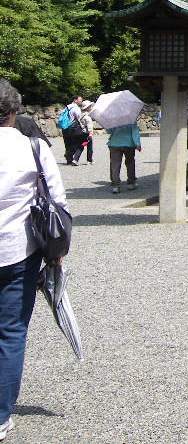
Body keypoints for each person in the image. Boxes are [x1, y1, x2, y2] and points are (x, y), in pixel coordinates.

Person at [0, 78, 70, 440]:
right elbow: (57, 200)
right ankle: (0, 415)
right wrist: (56, 255)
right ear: (13, 111)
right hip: (16, 250)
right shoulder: (32, 145)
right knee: (10, 331)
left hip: (15, 251)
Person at [107, 121, 141, 193]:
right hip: (128, 144)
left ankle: (115, 186)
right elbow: (134, 132)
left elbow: (109, 131)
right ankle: (131, 183)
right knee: (130, 163)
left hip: (114, 143)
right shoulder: (131, 118)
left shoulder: (114, 119)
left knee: (115, 164)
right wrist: (137, 143)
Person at [59, 94, 85, 166]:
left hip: (65, 127)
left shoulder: (67, 107)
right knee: (77, 143)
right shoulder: (76, 108)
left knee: (67, 144)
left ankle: (69, 160)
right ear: (75, 100)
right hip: (72, 128)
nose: (81, 101)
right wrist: (83, 127)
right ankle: (68, 155)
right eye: (80, 100)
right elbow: (79, 119)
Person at [80, 100, 95, 165]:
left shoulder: (81, 115)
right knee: (89, 147)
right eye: (90, 106)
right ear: (87, 108)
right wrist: (90, 134)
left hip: (82, 133)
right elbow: (89, 126)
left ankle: (75, 158)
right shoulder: (87, 117)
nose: (91, 107)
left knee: (82, 145)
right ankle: (89, 160)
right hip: (87, 134)